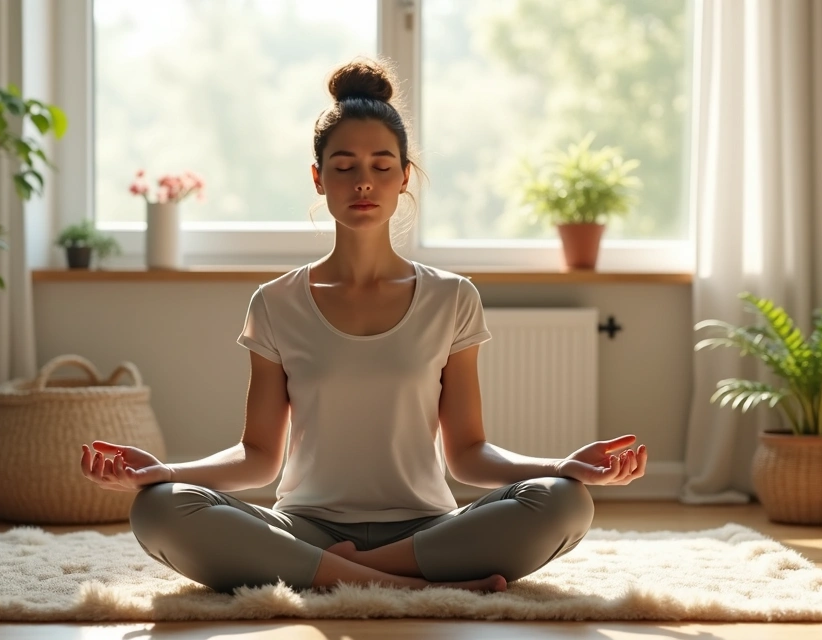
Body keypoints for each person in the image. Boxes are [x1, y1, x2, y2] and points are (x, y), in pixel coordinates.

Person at [80, 57, 647, 595]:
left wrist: (561, 466)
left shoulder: (452, 298)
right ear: (318, 178)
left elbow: (469, 454)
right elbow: (258, 456)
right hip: (304, 528)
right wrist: (163, 472)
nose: (363, 183)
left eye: (381, 166)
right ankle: (403, 586)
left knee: (565, 501)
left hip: (427, 530)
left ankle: (341, 576)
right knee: (158, 507)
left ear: (404, 178)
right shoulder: (275, 303)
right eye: (344, 166)